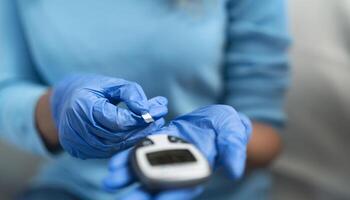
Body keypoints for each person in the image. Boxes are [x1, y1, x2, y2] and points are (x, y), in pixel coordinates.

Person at [0, 0, 290, 199]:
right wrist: (56, 108)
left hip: (214, 191)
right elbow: (6, 89)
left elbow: (268, 135)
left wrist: (221, 139)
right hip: (77, 188)